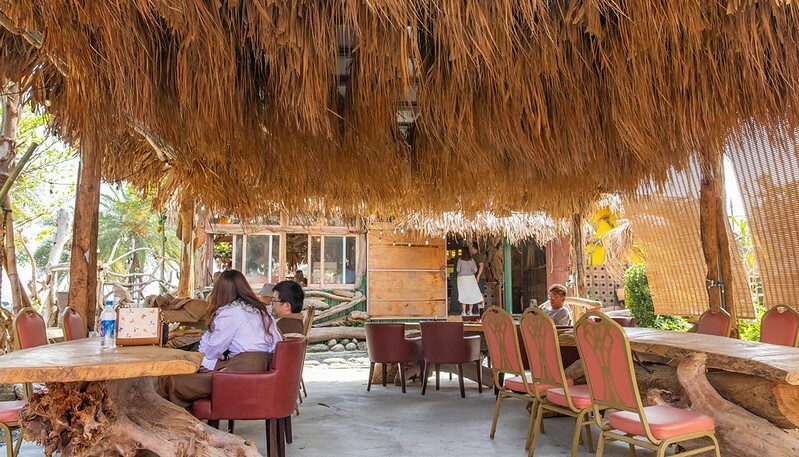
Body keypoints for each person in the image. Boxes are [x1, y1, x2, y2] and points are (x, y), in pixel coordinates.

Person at [163, 269, 282, 408]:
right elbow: (275, 343)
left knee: (173, 382)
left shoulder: (230, 313)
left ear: (220, 292)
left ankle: (182, 420)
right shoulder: (261, 311)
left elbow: (210, 352)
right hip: (264, 375)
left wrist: (209, 332)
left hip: (239, 377)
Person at [457, 245, 483, 315]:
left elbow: (458, 269)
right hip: (471, 278)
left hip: (462, 278)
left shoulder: (460, 260)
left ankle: (464, 312)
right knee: (471, 293)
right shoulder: (471, 260)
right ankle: (470, 311)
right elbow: (475, 270)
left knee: (463, 294)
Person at [470, 241, 486, 309]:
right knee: (474, 292)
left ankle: (482, 306)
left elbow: (481, 266)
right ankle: (476, 308)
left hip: (480, 277)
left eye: (471, 248)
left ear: (474, 248)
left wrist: (478, 276)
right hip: (474, 277)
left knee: (480, 291)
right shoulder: (472, 256)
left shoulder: (479, 256)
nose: (470, 249)